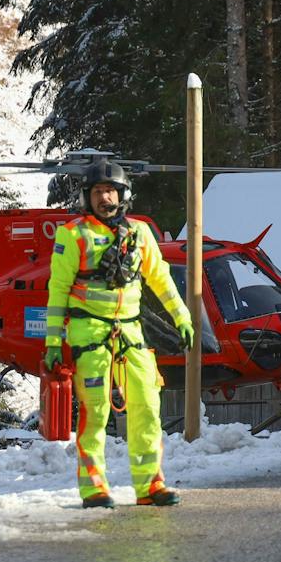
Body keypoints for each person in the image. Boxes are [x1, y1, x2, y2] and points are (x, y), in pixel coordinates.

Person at [44, 160, 195, 509]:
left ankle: (150, 485)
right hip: (89, 334)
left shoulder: (141, 234)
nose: (104, 197)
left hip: (131, 333)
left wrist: (183, 319)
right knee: (95, 413)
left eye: (110, 190)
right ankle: (94, 488)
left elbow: (161, 280)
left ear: (123, 195)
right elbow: (57, 292)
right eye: (97, 192)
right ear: (87, 197)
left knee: (147, 407)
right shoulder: (73, 235)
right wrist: (53, 342)